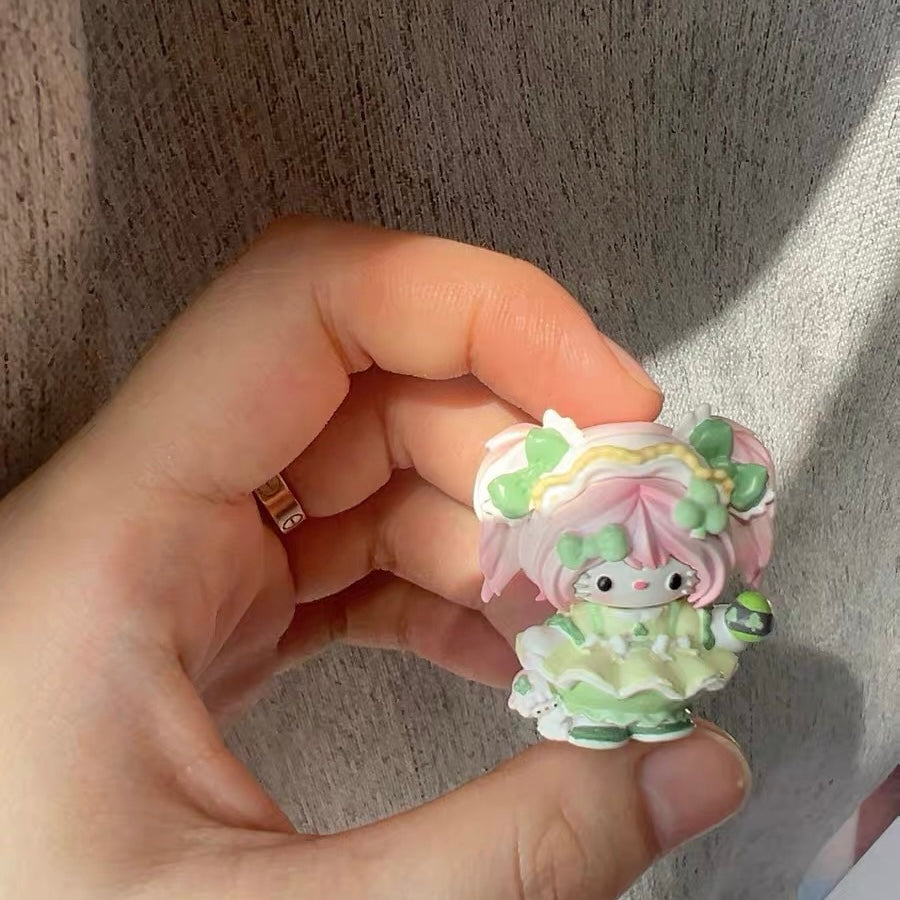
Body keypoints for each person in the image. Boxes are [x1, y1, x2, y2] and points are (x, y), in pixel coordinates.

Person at [0, 216, 749, 899]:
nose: (642, 583)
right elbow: (556, 640)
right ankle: (603, 722)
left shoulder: (670, 616)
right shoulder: (573, 615)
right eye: (610, 574)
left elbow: (707, 627)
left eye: (671, 574)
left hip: (651, 676)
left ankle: (627, 719)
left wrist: (733, 621)